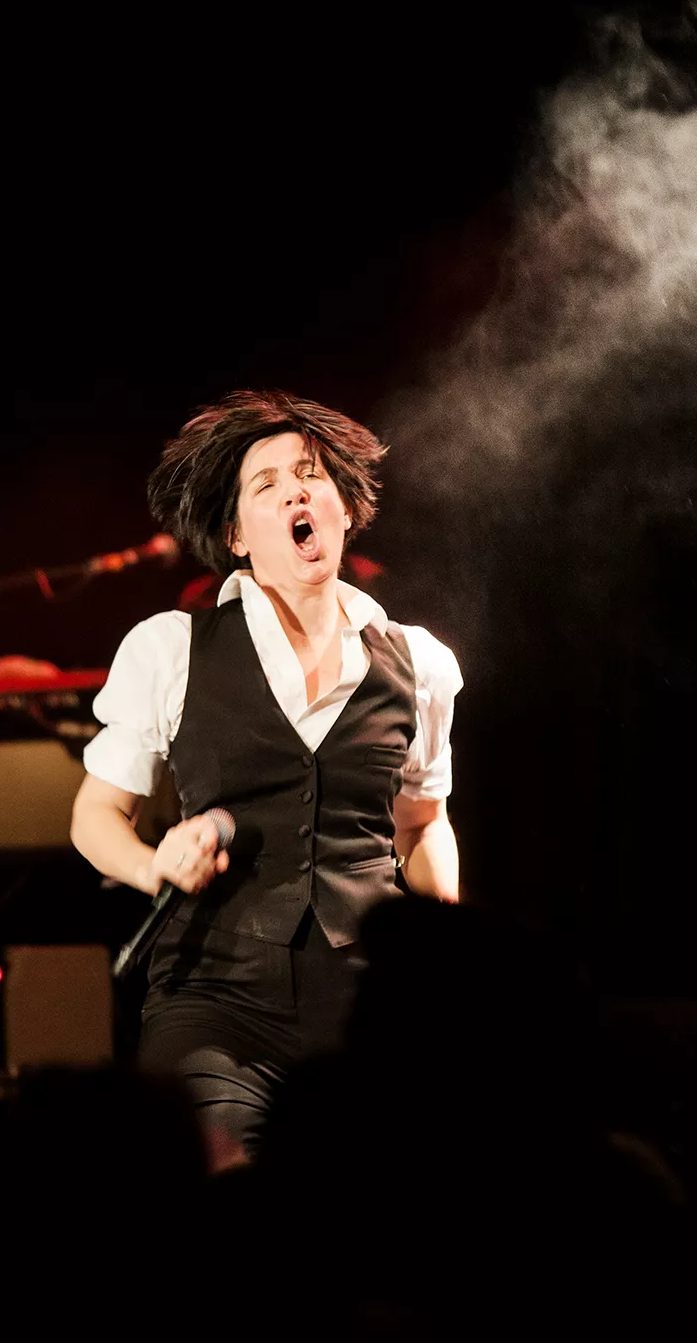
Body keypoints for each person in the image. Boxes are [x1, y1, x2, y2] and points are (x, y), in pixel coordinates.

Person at [71, 390, 462, 1166]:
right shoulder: (172, 649)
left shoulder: (418, 663)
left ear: (344, 509)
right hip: (215, 994)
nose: (294, 492)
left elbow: (423, 824)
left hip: (367, 1002)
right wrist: (153, 864)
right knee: (226, 1183)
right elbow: (94, 817)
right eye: (267, 483)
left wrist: (445, 934)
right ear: (236, 536)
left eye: (311, 475)